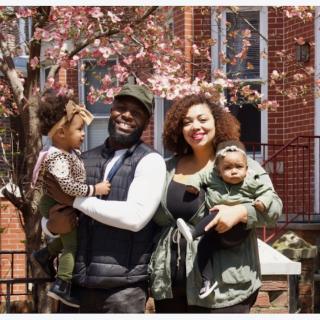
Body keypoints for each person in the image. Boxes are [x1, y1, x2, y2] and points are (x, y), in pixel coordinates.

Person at [149, 94, 282, 313]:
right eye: (186, 122)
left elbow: (274, 209)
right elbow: (156, 221)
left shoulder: (237, 164)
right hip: (171, 288)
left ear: (217, 122)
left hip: (225, 290)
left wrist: (241, 211)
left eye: (202, 119)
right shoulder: (166, 168)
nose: (195, 126)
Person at [40, 84, 166, 313]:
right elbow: (52, 202)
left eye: (136, 113)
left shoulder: (150, 161)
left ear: (146, 123)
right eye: (121, 108)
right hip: (75, 291)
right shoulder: (82, 158)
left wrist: (75, 201)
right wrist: (50, 227)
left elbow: (134, 218)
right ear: (111, 111)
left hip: (122, 292)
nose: (126, 115)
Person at [30, 90, 111, 308]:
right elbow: (68, 186)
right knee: (71, 245)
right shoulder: (57, 157)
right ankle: (62, 284)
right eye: (79, 129)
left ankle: (44, 254)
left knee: (68, 239)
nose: (83, 134)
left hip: (60, 201)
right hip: (55, 202)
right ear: (61, 133)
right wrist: (96, 189)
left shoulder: (68, 154)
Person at [176, 139, 274, 299]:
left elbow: (268, 192)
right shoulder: (213, 177)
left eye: (238, 167)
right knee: (203, 248)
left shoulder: (252, 179)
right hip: (217, 232)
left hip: (239, 230)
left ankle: (193, 233)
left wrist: (261, 202)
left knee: (217, 212)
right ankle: (207, 282)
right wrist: (193, 185)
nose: (234, 171)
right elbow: (199, 176)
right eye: (227, 168)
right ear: (219, 171)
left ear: (247, 169)